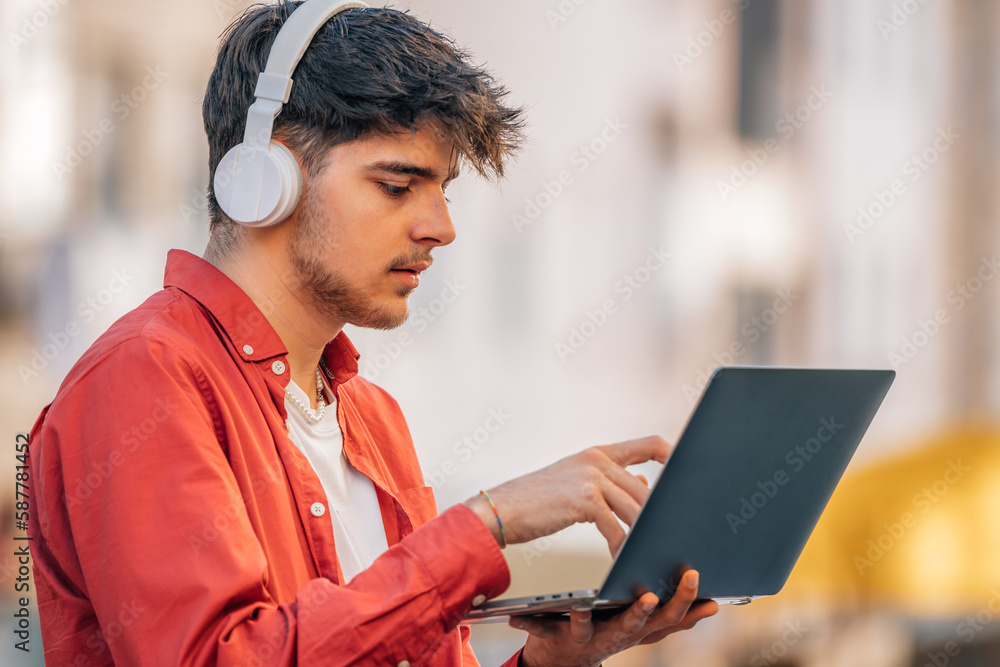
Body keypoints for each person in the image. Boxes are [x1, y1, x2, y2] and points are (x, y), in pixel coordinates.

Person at [26, 2, 718, 665]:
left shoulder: (372, 419)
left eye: (444, 189)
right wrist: (488, 523)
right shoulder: (143, 377)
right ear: (263, 179)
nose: (441, 228)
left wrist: (551, 662)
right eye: (397, 186)